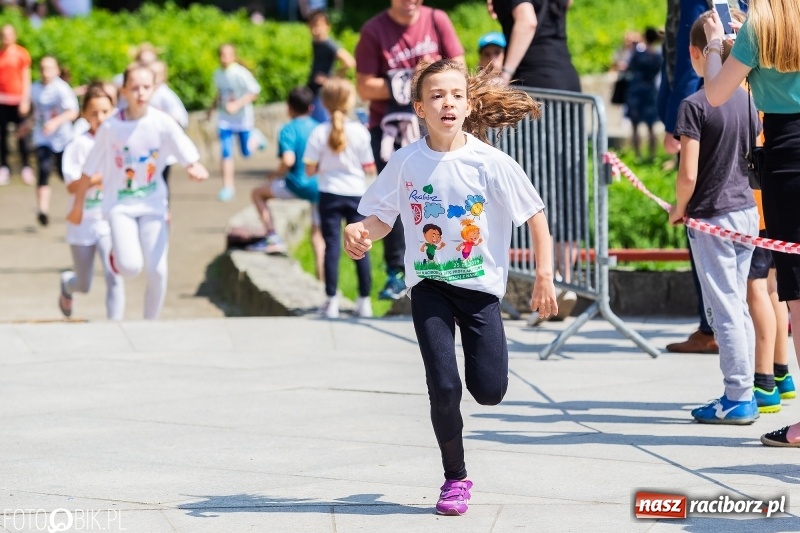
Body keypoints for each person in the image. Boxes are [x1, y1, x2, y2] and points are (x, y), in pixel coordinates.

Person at [343, 59, 557, 515]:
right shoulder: (405, 162)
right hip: (430, 287)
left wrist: (543, 275)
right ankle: (455, 478)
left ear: (469, 104)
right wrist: (361, 230)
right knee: (443, 386)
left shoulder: (490, 161)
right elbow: (382, 217)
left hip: (479, 290)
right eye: (437, 96)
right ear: (420, 108)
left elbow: (535, 216)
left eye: (456, 95)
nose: (448, 103)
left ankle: (485, 377)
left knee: (490, 390)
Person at [701, 1, 800, 444]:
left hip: (788, 156)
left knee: (796, 291)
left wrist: (715, 47)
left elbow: (717, 94)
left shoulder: (760, 26)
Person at [668, 11, 760, 424]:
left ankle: (737, 395)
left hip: (711, 217)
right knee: (738, 305)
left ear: (694, 54)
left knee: (723, 309)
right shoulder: (749, 97)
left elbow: (688, 173)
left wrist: (678, 208)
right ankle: (747, 388)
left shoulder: (693, 104)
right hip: (745, 212)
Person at [78, 63, 209, 320]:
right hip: (120, 206)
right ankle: (118, 255)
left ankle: (151, 323)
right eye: (134, 87)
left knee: (158, 270)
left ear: (155, 88)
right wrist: (77, 204)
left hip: (153, 204)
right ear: (124, 90)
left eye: (146, 87)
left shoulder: (162, 122)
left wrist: (193, 166)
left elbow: (183, 148)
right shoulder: (111, 127)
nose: (141, 93)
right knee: (130, 267)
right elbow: (89, 166)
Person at [354, 0, 465, 301]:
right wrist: (409, 79)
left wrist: (433, 75)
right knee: (397, 197)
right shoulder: (374, 30)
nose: (410, 3)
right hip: (390, 129)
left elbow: (460, 68)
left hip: (437, 122)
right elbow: (364, 87)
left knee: (443, 193)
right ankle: (396, 272)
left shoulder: (437, 19)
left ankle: (447, 262)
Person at [659, 0, 746, 355]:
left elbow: (686, 57)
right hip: (745, 204)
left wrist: (673, 123)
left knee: (725, 299)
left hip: (708, 109)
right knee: (748, 294)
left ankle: (737, 385)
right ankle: (767, 379)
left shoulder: (694, 104)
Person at [490, 0, 580, 322]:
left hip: (537, 86)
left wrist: (506, 73)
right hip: (566, 82)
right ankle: (564, 277)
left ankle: (551, 280)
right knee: (568, 179)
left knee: (537, 180)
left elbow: (526, 21)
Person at [304, 78, 375, 318]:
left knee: (332, 246)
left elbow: (309, 170)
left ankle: (330, 301)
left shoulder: (318, 132)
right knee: (360, 247)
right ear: (349, 101)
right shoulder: (360, 132)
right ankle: (365, 301)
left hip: (329, 194)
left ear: (323, 103)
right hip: (357, 194)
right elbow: (368, 167)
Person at [60, 83, 124, 320]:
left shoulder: (119, 142)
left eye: (106, 112)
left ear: (114, 112)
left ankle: (115, 326)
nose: (100, 118)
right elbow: (71, 186)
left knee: (114, 274)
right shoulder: (78, 145)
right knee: (84, 283)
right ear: (84, 114)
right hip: (83, 220)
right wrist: (99, 177)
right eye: (94, 113)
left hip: (110, 220)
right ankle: (68, 285)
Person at [250, 86, 324, 279]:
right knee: (318, 236)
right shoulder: (319, 127)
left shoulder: (288, 129)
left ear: (288, 108)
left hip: (296, 185)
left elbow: (288, 160)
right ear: (311, 108)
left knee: (257, 194)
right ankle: (323, 282)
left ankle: (272, 236)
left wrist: (275, 174)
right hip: (321, 187)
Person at [28, 56, 79, 226]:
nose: (45, 72)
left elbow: (73, 112)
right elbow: (36, 113)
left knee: (64, 173)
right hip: (43, 137)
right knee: (43, 169)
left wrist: (55, 122)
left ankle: (80, 203)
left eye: (49, 68)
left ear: (57, 70)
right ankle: (43, 210)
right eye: (42, 68)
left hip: (63, 138)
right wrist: (26, 126)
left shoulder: (62, 89)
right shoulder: (34, 88)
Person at [210, 43, 262, 202]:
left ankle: (257, 138)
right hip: (225, 119)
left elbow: (255, 92)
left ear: (233, 56)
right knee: (226, 151)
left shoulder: (240, 73)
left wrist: (237, 105)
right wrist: (211, 108)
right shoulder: (217, 73)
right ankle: (228, 186)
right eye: (222, 54)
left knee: (246, 152)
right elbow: (219, 93)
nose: (224, 57)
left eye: (228, 54)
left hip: (242, 118)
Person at [306, 9, 356, 124]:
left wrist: (331, 79)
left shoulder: (329, 44)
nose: (315, 29)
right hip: (313, 91)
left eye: (318, 25)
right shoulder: (316, 43)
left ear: (327, 26)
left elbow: (350, 61)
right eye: (312, 25)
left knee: (322, 125)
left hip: (322, 93)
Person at [0, 24, 33, 186]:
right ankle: (4, 167)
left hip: (18, 101)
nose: (6, 37)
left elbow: (26, 77)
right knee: (2, 136)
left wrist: (25, 99)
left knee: (22, 135)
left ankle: (26, 166)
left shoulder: (21, 54)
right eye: (3, 34)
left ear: (14, 35)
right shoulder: (0, 54)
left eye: (8, 34)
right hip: (2, 102)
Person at [149, 60, 189, 190]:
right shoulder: (147, 93)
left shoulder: (166, 95)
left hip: (163, 148)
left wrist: (162, 116)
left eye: (157, 74)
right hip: (149, 145)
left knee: (161, 181)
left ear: (164, 76)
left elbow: (181, 118)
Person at [625, 27, 663, 162]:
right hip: (651, 91)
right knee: (651, 126)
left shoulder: (638, 53)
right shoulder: (658, 56)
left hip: (636, 91)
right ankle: (652, 156)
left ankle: (638, 155)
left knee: (635, 126)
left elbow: (629, 66)